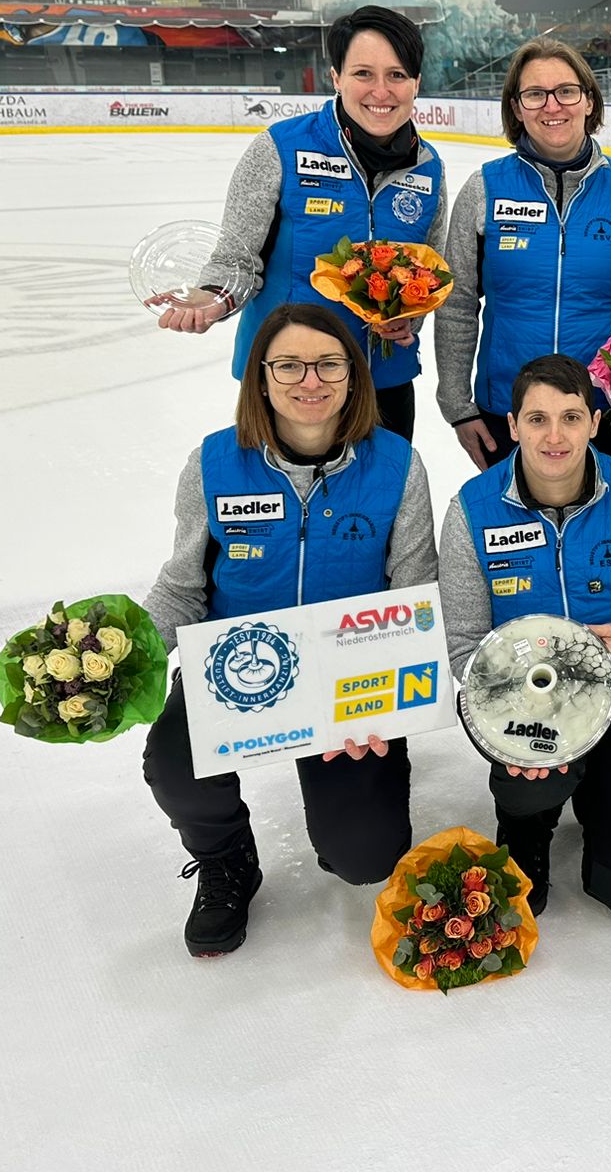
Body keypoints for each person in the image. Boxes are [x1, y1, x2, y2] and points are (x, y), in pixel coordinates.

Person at [140, 303, 436, 957]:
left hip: (347, 688)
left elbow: (415, 603)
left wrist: (386, 711)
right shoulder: (214, 464)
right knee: (172, 765)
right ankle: (226, 858)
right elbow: (183, 589)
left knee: (366, 860)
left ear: (354, 376)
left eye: (330, 363)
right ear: (262, 378)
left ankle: (361, 798)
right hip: (234, 671)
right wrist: (132, 654)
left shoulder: (396, 467)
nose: (311, 380)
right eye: (290, 365)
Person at [437, 353, 611, 918]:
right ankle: (526, 820)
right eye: (536, 419)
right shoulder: (473, 511)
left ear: (594, 421)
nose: (554, 436)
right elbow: (464, 645)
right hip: (526, 707)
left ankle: (601, 791)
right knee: (527, 790)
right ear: (512, 427)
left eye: (570, 417)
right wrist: (511, 710)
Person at [156, 6, 445, 440]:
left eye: (397, 75)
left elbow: (427, 274)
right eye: (363, 73)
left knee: (384, 502)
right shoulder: (280, 149)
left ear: (416, 83)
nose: (381, 91)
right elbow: (236, 258)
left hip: (383, 379)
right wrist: (216, 296)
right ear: (336, 77)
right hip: (291, 380)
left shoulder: (429, 168)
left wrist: (408, 322)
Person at [434, 39, 611, 472]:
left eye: (566, 91)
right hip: (507, 413)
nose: (552, 106)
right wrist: (457, 405)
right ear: (516, 107)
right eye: (534, 94)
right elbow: (458, 302)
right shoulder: (484, 188)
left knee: (603, 537)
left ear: (588, 100)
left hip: (606, 414)